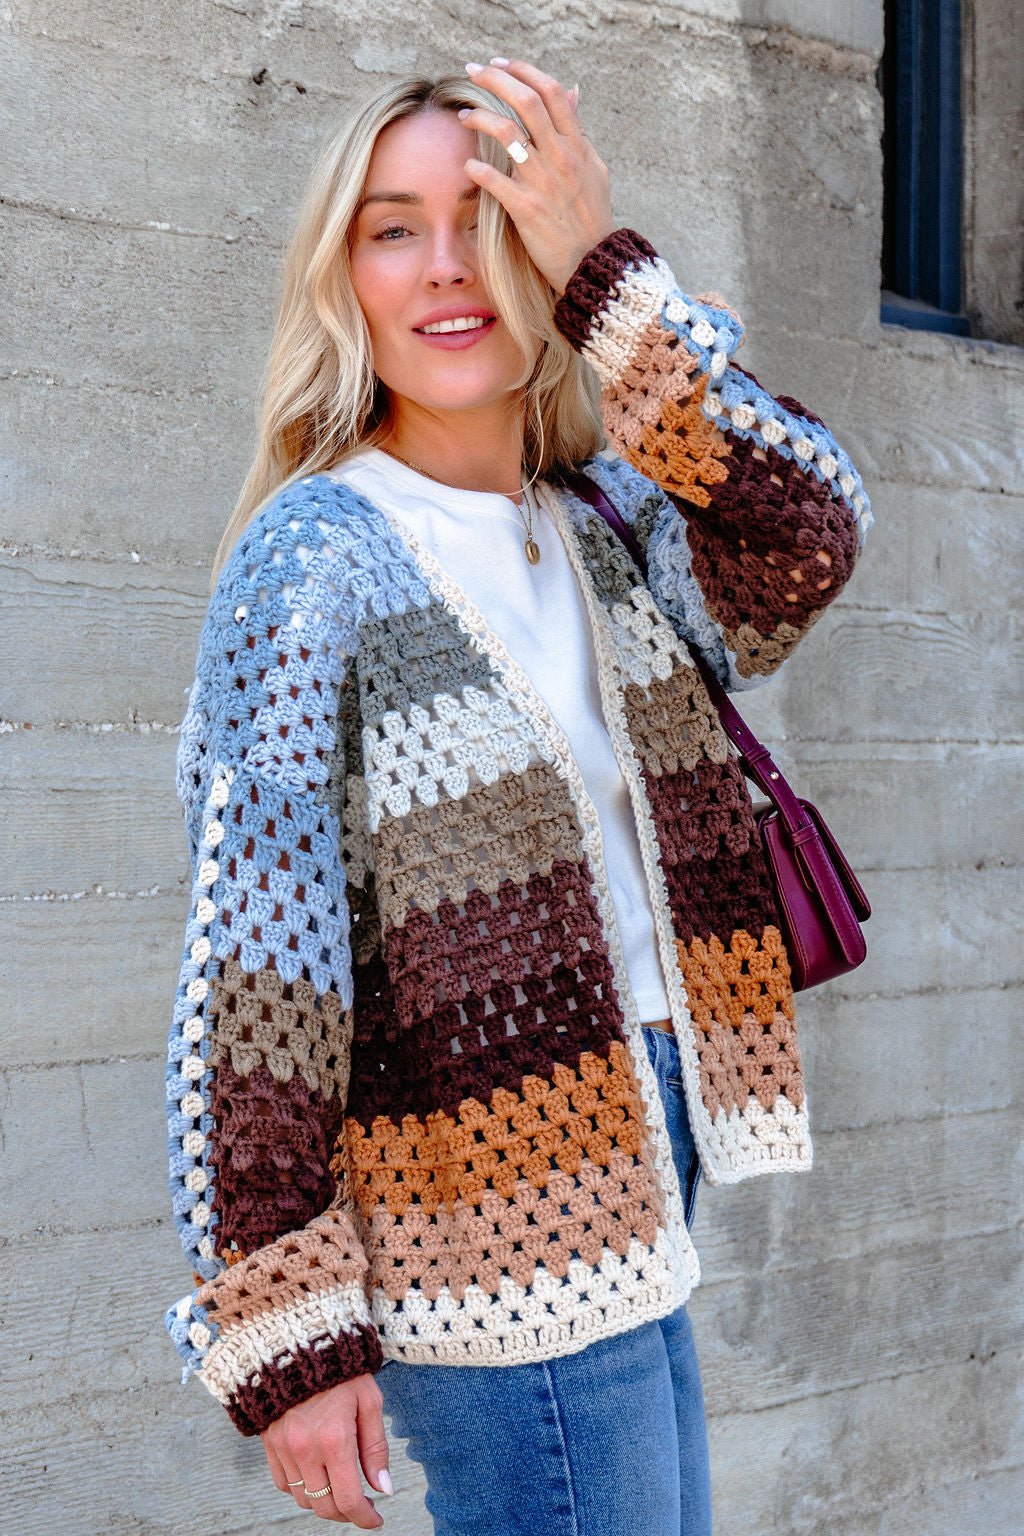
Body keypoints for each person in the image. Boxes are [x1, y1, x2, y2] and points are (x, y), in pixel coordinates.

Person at [163, 58, 872, 1534]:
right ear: (342, 274)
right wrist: (284, 1325)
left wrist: (615, 281)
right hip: (478, 1194)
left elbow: (809, 529)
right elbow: (257, 980)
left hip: (646, 1137)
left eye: (482, 222)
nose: (443, 271)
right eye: (390, 229)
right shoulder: (316, 564)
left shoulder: (605, 518)